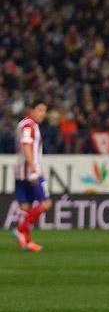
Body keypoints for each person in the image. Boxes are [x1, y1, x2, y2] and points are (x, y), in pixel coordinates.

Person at [13, 99, 52, 252]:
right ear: (31, 110)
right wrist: (35, 168)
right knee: (45, 203)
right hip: (31, 173)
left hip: (21, 173)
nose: (43, 114)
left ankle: (26, 242)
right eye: (40, 110)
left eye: (44, 110)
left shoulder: (24, 124)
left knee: (25, 208)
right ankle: (21, 230)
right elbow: (26, 146)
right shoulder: (29, 126)